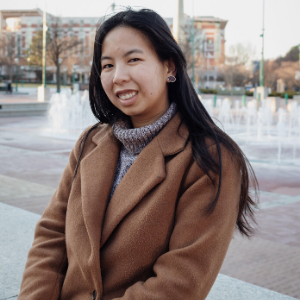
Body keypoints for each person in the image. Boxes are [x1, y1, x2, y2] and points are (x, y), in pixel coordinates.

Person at [18, 8, 258, 300]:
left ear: (169, 67)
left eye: (133, 60)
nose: (118, 76)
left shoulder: (209, 159)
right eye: (107, 65)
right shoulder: (90, 143)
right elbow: (51, 236)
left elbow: (180, 282)